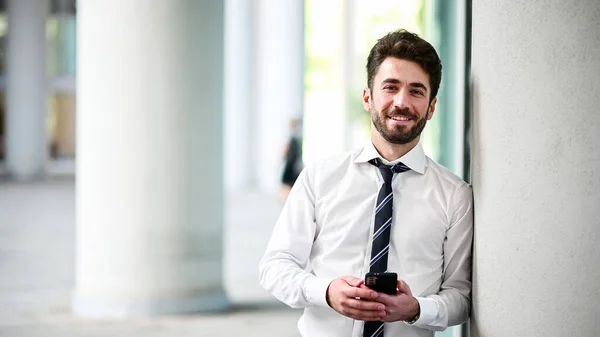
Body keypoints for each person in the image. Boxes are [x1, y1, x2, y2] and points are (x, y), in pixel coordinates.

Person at [259, 29, 473, 337]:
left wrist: (416, 309)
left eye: (416, 91)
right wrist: (326, 292)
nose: (402, 102)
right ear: (367, 97)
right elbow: (275, 266)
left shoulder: (455, 196)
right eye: (390, 87)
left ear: (431, 106)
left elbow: (461, 297)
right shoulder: (319, 178)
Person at [280, 117, 303, 199]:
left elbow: (285, 151)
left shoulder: (292, 138)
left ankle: (288, 202)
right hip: (295, 165)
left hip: (291, 165)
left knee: (286, 185)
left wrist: (282, 158)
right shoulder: (298, 137)